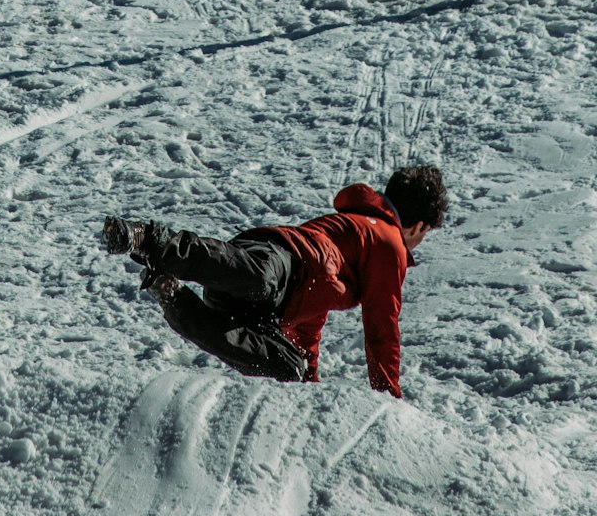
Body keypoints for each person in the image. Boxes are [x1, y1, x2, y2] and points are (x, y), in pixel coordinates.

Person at [102, 163, 448, 396]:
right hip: (277, 263)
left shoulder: (355, 235)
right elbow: (381, 328)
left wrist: (309, 385)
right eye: (424, 235)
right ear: (418, 226)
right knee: (260, 281)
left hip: (272, 301)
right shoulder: (388, 241)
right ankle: (147, 239)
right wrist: (388, 398)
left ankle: (172, 294)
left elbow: (314, 311)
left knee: (287, 367)